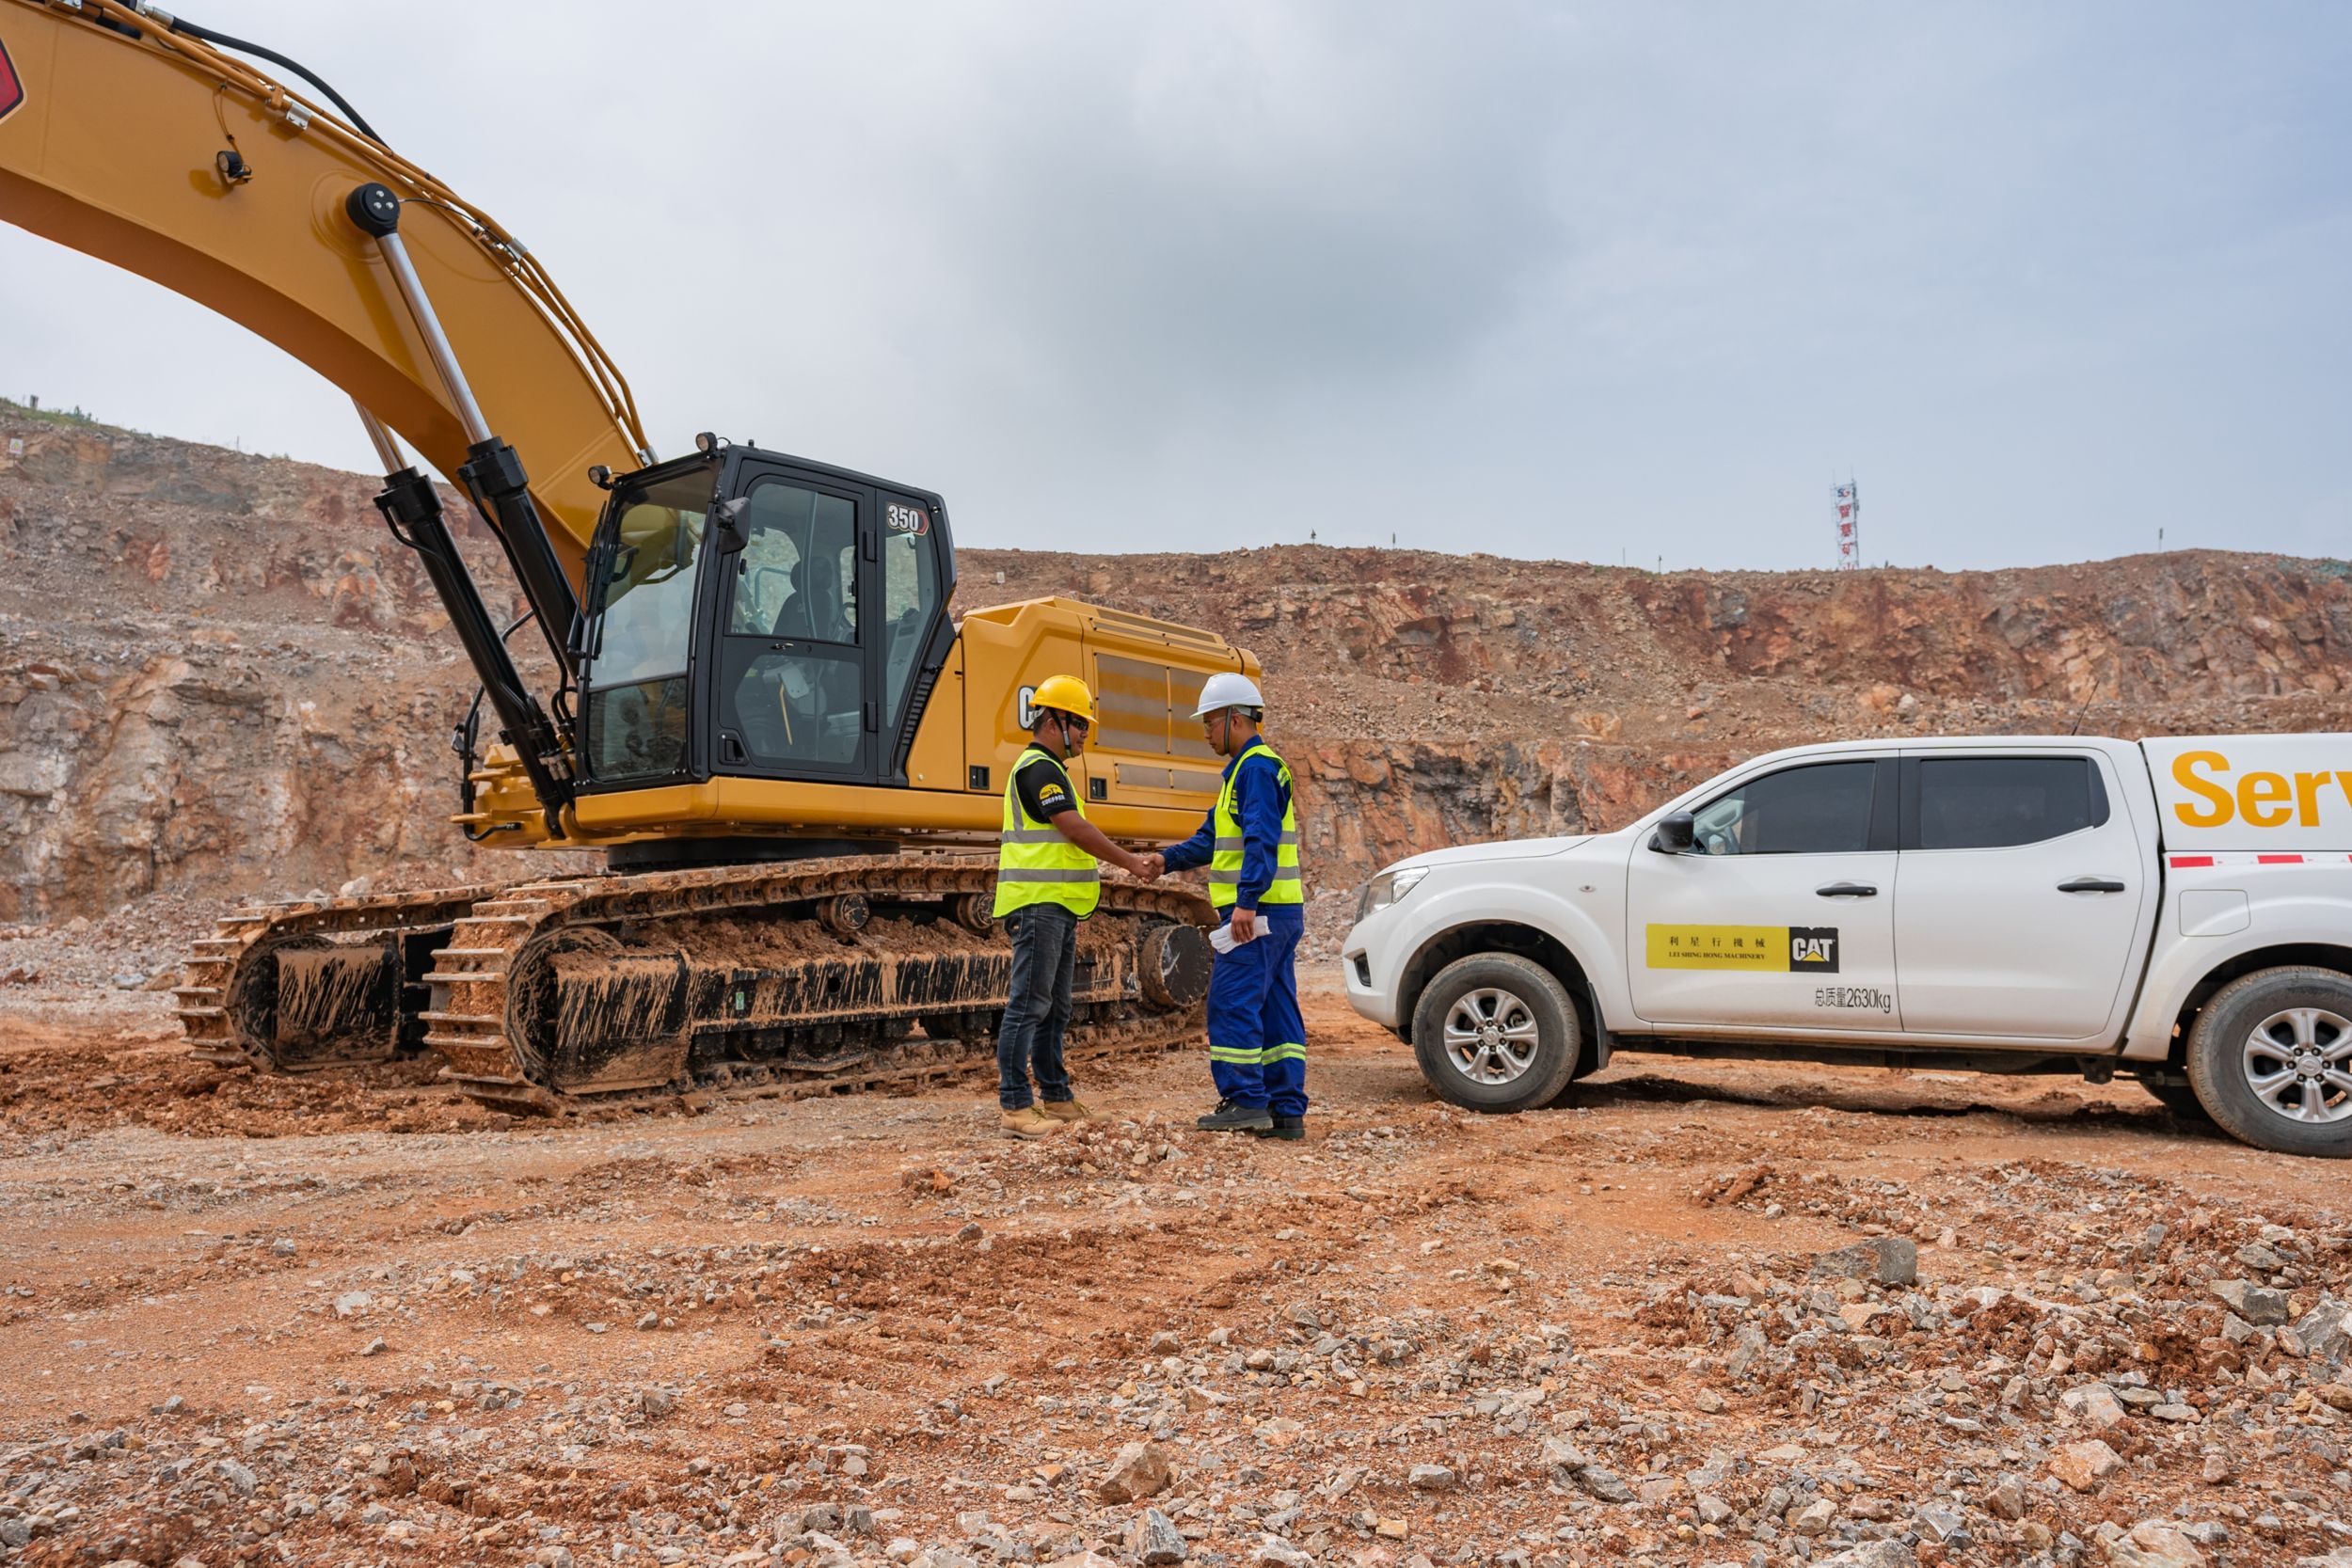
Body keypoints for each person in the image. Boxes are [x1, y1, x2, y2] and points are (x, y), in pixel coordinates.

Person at [993, 674, 1155, 1139]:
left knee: (1055, 1006)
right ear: (1054, 720)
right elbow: (1073, 828)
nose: (1085, 733)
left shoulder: (1053, 770)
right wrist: (1129, 862)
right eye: (1080, 723)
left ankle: (1057, 1096)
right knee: (1029, 1003)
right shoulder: (1038, 769)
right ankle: (1016, 1107)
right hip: (1038, 904)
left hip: (1057, 906)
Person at [1150, 673, 1308, 1139]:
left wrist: (1245, 902)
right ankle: (1286, 1111)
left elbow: (1260, 839)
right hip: (1279, 912)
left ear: (1234, 719)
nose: (1204, 731)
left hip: (1255, 915)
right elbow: (1213, 840)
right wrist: (1165, 860)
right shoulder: (1247, 770)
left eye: (1209, 721)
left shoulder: (1255, 768)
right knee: (1277, 1009)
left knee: (1231, 1003)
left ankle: (1245, 1101)